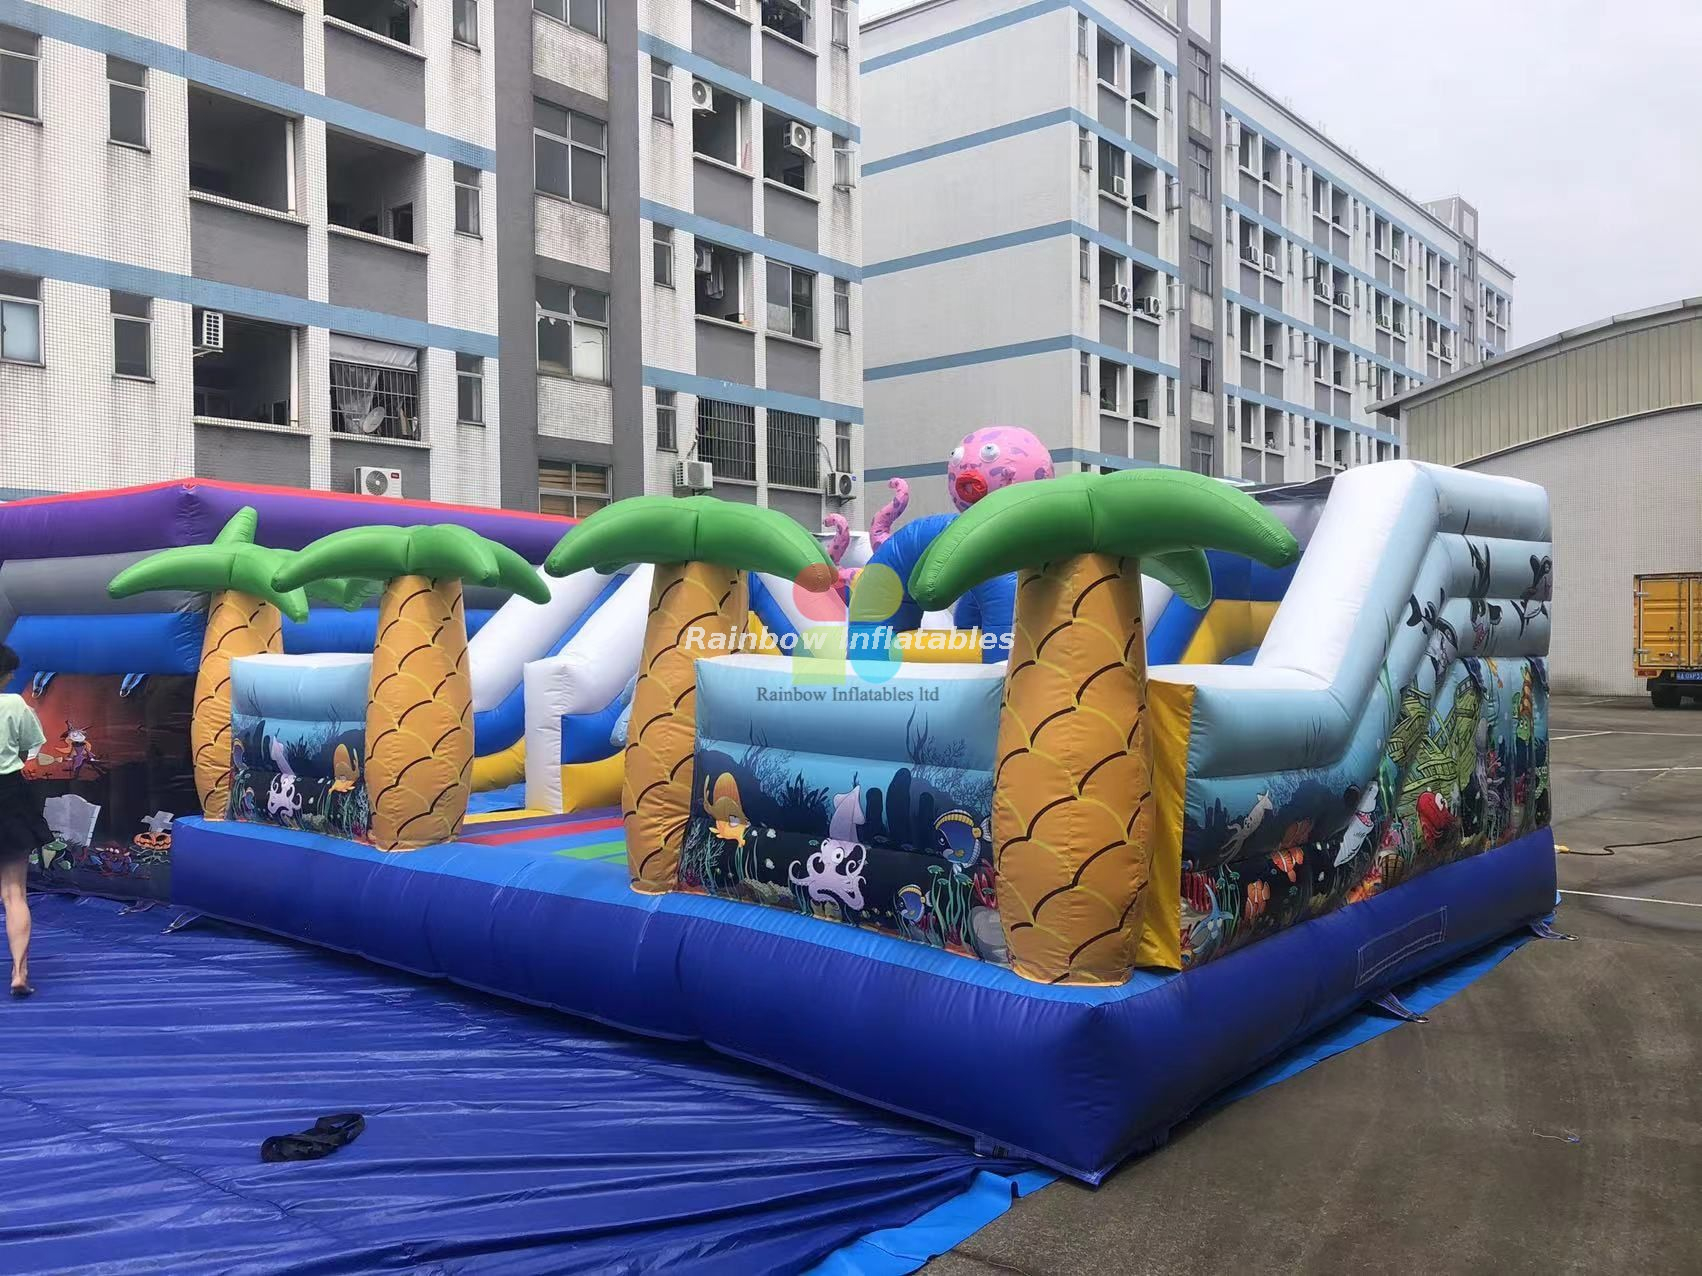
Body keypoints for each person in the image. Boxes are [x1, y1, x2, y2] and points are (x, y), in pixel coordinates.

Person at [0, 644, 50, 998]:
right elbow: (30, 747)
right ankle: (20, 970)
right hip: (8, 794)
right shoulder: (16, 704)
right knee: (14, 892)